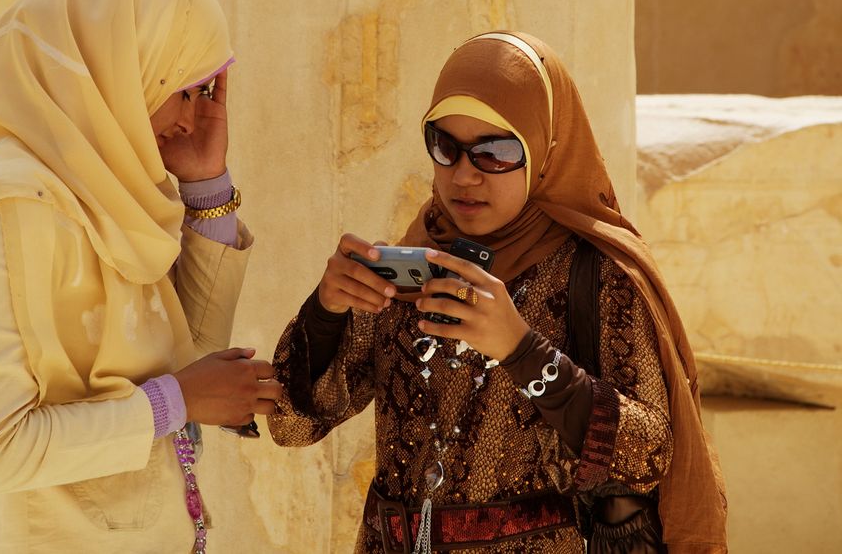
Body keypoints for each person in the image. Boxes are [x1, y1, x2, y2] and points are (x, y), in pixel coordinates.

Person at [268, 32, 727, 553]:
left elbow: (650, 454)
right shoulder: (419, 262)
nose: (464, 174)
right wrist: (327, 311)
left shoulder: (597, 275)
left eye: (496, 152)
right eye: (446, 145)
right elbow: (293, 425)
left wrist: (523, 352)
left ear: (544, 151)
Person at [0, 0, 282, 553]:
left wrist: (206, 186)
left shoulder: (112, 188)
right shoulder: (9, 206)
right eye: (183, 89)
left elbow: (190, 357)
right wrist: (178, 400)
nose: (193, 118)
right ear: (123, 65)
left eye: (203, 92)